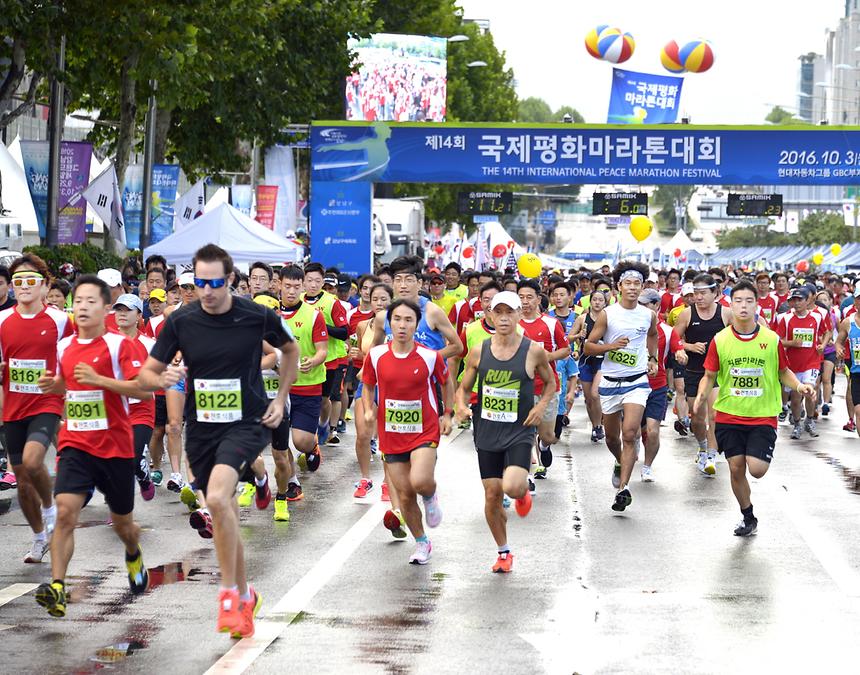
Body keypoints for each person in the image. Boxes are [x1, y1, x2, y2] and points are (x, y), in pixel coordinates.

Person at [137, 244, 297, 639]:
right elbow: (148, 372)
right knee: (224, 511)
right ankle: (245, 595)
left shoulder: (255, 315)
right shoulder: (181, 321)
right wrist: (161, 378)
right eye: (200, 283)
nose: (206, 291)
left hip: (246, 423)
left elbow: (289, 350)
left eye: (214, 283)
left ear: (230, 280)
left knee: (219, 497)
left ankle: (227, 594)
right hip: (203, 427)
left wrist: (280, 398)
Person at [34, 275, 152, 617]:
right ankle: (58, 587)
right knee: (65, 513)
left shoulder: (120, 345)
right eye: (79, 301)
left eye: (91, 301)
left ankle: (133, 553)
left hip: (115, 447)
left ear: (106, 308)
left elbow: (143, 391)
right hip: (75, 444)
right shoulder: (64, 347)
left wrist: (100, 380)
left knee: (123, 526)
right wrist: (53, 385)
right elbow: (67, 384)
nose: (83, 307)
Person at [694, 279, 814, 536]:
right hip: (729, 414)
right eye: (738, 301)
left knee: (757, 470)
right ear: (731, 304)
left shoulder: (771, 339)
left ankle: (749, 504)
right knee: (736, 467)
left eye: (749, 301)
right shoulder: (720, 340)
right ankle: (748, 516)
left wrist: (799, 386)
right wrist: (701, 396)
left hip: (762, 415)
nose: (743, 306)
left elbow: (783, 371)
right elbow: (709, 375)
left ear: (757, 305)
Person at [455, 291, 555, 573]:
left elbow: (550, 383)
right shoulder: (479, 350)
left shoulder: (533, 350)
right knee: (492, 495)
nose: (503, 318)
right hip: (487, 429)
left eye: (509, 312)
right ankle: (503, 552)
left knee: (511, 486)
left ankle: (521, 492)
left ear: (519, 314)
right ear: (490, 315)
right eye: (497, 312)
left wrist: (541, 406)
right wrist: (460, 406)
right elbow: (464, 387)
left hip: (519, 430)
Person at [361, 299, 453, 565]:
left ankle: (431, 495)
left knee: (420, 480)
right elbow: (367, 385)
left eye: (408, 320)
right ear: (389, 324)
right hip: (391, 433)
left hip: (424, 430)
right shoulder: (376, 355)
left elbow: (446, 382)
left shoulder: (430, 356)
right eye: (397, 319)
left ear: (416, 325)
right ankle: (422, 542)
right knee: (404, 494)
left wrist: (447, 414)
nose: (402, 325)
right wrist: (368, 410)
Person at [0, 254, 74, 563]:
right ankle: (39, 536)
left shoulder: (59, 320)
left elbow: (74, 354)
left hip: (47, 401)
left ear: (44, 285)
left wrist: (65, 386)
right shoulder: (2, 320)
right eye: (19, 281)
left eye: (31, 280)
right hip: (13, 405)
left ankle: (50, 508)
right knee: (22, 480)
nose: (25, 286)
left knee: (33, 461)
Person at [584, 261, 658, 512]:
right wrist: (610, 346)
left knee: (629, 434)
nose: (633, 288)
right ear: (619, 287)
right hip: (610, 382)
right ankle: (619, 461)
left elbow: (653, 335)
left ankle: (623, 489)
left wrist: (652, 358)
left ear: (642, 287)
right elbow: (588, 346)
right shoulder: (608, 314)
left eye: (637, 283)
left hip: (637, 381)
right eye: (628, 283)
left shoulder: (648, 315)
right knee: (612, 438)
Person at [276, 265, 328, 510]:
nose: (292, 291)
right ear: (279, 285)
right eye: (287, 286)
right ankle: (292, 482)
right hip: (277, 389)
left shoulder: (313, 315)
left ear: (303, 287)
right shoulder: (270, 313)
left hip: (308, 386)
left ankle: (312, 446)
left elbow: (322, 350)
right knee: (278, 442)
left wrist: (313, 361)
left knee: (301, 442)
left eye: (297, 287)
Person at [672, 274, 733, 476]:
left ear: (715, 293)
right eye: (696, 293)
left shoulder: (726, 313)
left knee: (714, 415)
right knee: (697, 417)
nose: (698, 297)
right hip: (694, 371)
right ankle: (703, 446)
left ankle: (712, 456)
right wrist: (688, 347)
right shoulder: (687, 314)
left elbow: (739, 336)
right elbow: (674, 339)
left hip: (717, 374)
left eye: (703, 293)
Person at [517, 279, 570, 482]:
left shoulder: (551, 323)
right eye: (521, 297)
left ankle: (544, 446)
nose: (525, 301)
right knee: (525, 433)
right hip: (521, 387)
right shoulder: (513, 324)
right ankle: (529, 475)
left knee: (547, 435)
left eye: (529, 297)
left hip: (547, 387)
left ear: (539, 299)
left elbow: (566, 350)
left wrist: (548, 356)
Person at [112, 293, 157, 501]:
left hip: (141, 409)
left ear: (139, 315)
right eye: (119, 310)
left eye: (128, 310)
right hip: (115, 410)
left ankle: (143, 475)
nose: (122, 314)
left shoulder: (149, 345)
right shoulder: (106, 342)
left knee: (133, 457)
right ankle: (119, 507)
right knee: (117, 462)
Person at [303, 263, 348, 446]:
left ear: (322, 282)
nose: (313, 284)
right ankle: (309, 432)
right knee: (308, 399)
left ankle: (324, 425)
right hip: (304, 360)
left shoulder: (332, 302)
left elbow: (344, 332)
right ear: (303, 281)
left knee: (324, 400)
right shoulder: (298, 300)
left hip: (328, 361)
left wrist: (320, 326)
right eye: (309, 280)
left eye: (317, 281)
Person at [775, 286, 829, 439]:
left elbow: (826, 332)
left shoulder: (817, 317)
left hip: (811, 362)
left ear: (808, 301)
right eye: (794, 300)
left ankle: (810, 420)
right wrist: (792, 343)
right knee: (796, 397)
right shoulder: (786, 319)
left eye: (800, 300)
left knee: (810, 392)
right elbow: (778, 341)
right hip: (793, 365)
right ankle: (797, 424)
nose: (797, 303)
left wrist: (823, 345)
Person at [636, 289, 673, 482]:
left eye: (646, 304)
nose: (642, 308)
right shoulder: (630, 326)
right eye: (639, 304)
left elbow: (679, 346)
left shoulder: (667, 330)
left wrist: (682, 352)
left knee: (653, 431)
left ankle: (647, 467)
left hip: (657, 385)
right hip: (633, 384)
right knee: (632, 431)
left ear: (657, 305)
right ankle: (630, 448)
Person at [570, 287, 606, 442]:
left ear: (605, 303)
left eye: (600, 300)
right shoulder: (582, 319)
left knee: (595, 394)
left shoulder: (608, 319)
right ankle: (595, 426)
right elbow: (569, 337)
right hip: (585, 360)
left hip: (603, 361)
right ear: (590, 302)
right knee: (589, 398)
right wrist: (579, 335)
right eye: (594, 300)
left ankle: (599, 426)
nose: (597, 303)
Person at [549, 282, 580, 436]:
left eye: (562, 295)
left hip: (570, 358)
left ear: (570, 297)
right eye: (555, 295)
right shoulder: (547, 316)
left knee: (565, 390)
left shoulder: (577, 317)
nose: (558, 298)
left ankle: (563, 414)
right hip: (551, 359)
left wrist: (577, 352)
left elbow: (581, 339)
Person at [836, 288, 860, 436]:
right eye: (859, 298)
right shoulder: (848, 322)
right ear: (855, 301)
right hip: (856, 371)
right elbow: (839, 341)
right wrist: (839, 349)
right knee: (859, 411)